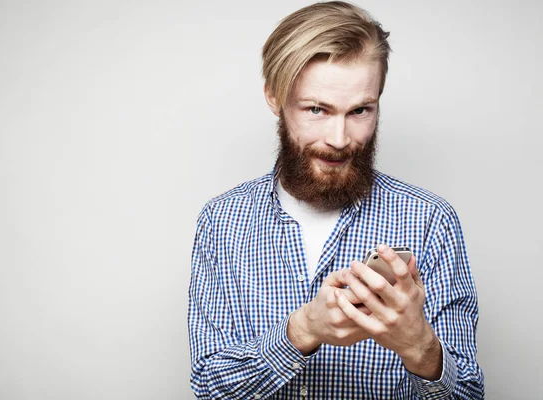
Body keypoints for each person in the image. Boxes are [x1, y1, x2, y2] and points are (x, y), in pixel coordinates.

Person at [187, 1, 484, 398]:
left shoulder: (430, 220)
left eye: (360, 110)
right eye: (317, 110)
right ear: (274, 97)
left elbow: (469, 394)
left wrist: (420, 348)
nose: (340, 139)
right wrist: (304, 329)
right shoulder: (222, 221)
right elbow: (210, 388)